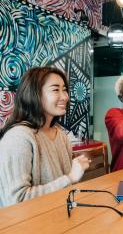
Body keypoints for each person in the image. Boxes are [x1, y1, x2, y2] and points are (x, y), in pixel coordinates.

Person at [0, 67, 90, 208]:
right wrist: (70, 178)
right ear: (34, 94)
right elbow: (16, 200)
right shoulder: (18, 137)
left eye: (64, 89)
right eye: (55, 90)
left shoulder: (61, 135)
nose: (65, 96)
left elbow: (67, 191)